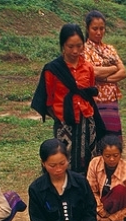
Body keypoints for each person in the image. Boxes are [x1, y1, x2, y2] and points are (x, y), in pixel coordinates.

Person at [22, 138, 120, 221]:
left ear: (67, 160)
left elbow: (89, 215)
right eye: (52, 165)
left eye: (62, 163)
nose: (58, 169)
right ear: (43, 163)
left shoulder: (80, 182)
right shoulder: (36, 188)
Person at [31, 23, 105, 173]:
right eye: (70, 46)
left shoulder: (88, 68)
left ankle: (86, 188)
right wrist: (61, 117)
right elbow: (49, 100)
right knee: (62, 158)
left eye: (79, 46)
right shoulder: (53, 69)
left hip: (87, 120)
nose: (75, 50)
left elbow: (88, 94)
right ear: (62, 45)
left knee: (88, 157)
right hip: (64, 123)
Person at [86, 135, 126, 221]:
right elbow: (91, 191)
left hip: (120, 208)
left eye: (116, 155)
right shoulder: (94, 163)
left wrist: (111, 219)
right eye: (107, 156)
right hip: (100, 205)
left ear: (120, 154)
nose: (112, 159)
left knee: (120, 190)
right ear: (101, 154)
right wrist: (101, 212)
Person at [84, 10, 126, 140]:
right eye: (95, 28)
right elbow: (92, 72)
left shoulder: (110, 49)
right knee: (98, 137)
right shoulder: (83, 49)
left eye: (102, 28)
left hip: (111, 100)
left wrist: (105, 78)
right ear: (87, 28)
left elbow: (123, 72)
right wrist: (113, 67)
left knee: (113, 139)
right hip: (95, 101)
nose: (99, 32)